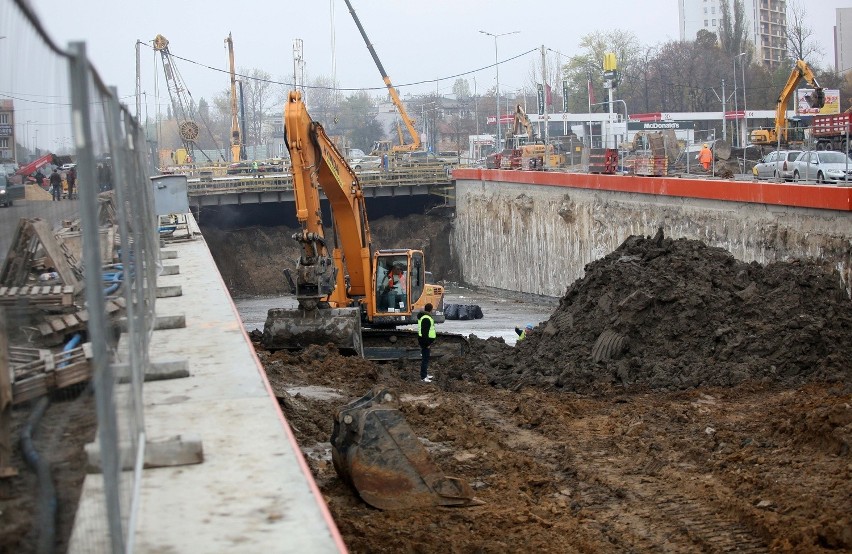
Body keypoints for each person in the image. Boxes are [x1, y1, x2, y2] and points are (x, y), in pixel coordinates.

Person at [418, 303, 436, 382]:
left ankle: (425, 374)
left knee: (426, 358)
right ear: (431, 309)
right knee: (425, 359)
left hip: (425, 341)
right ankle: (423, 377)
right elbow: (424, 332)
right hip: (425, 342)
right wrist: (427, 343)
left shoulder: (425, 317)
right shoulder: (426, 318)